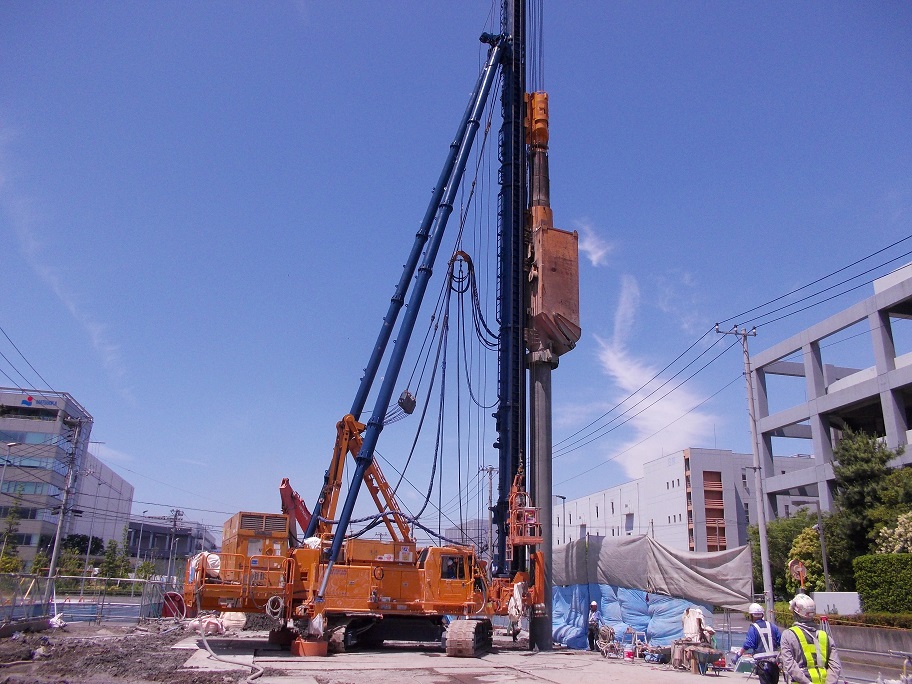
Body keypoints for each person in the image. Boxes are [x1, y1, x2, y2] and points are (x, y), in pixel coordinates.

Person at [780, 593, 842, 684]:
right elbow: (835, 666)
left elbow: (790, 665)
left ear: (795, 613)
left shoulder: (788, 635)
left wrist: (808, 682)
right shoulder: (825, 636)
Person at [737, 602, 781, 684]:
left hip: (763, 664)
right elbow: (780, 641)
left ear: (751, 615)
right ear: (762, 614)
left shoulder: (753, 628)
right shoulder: (772, 626)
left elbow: (748, 644)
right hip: (775, 663)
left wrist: (738, 654)